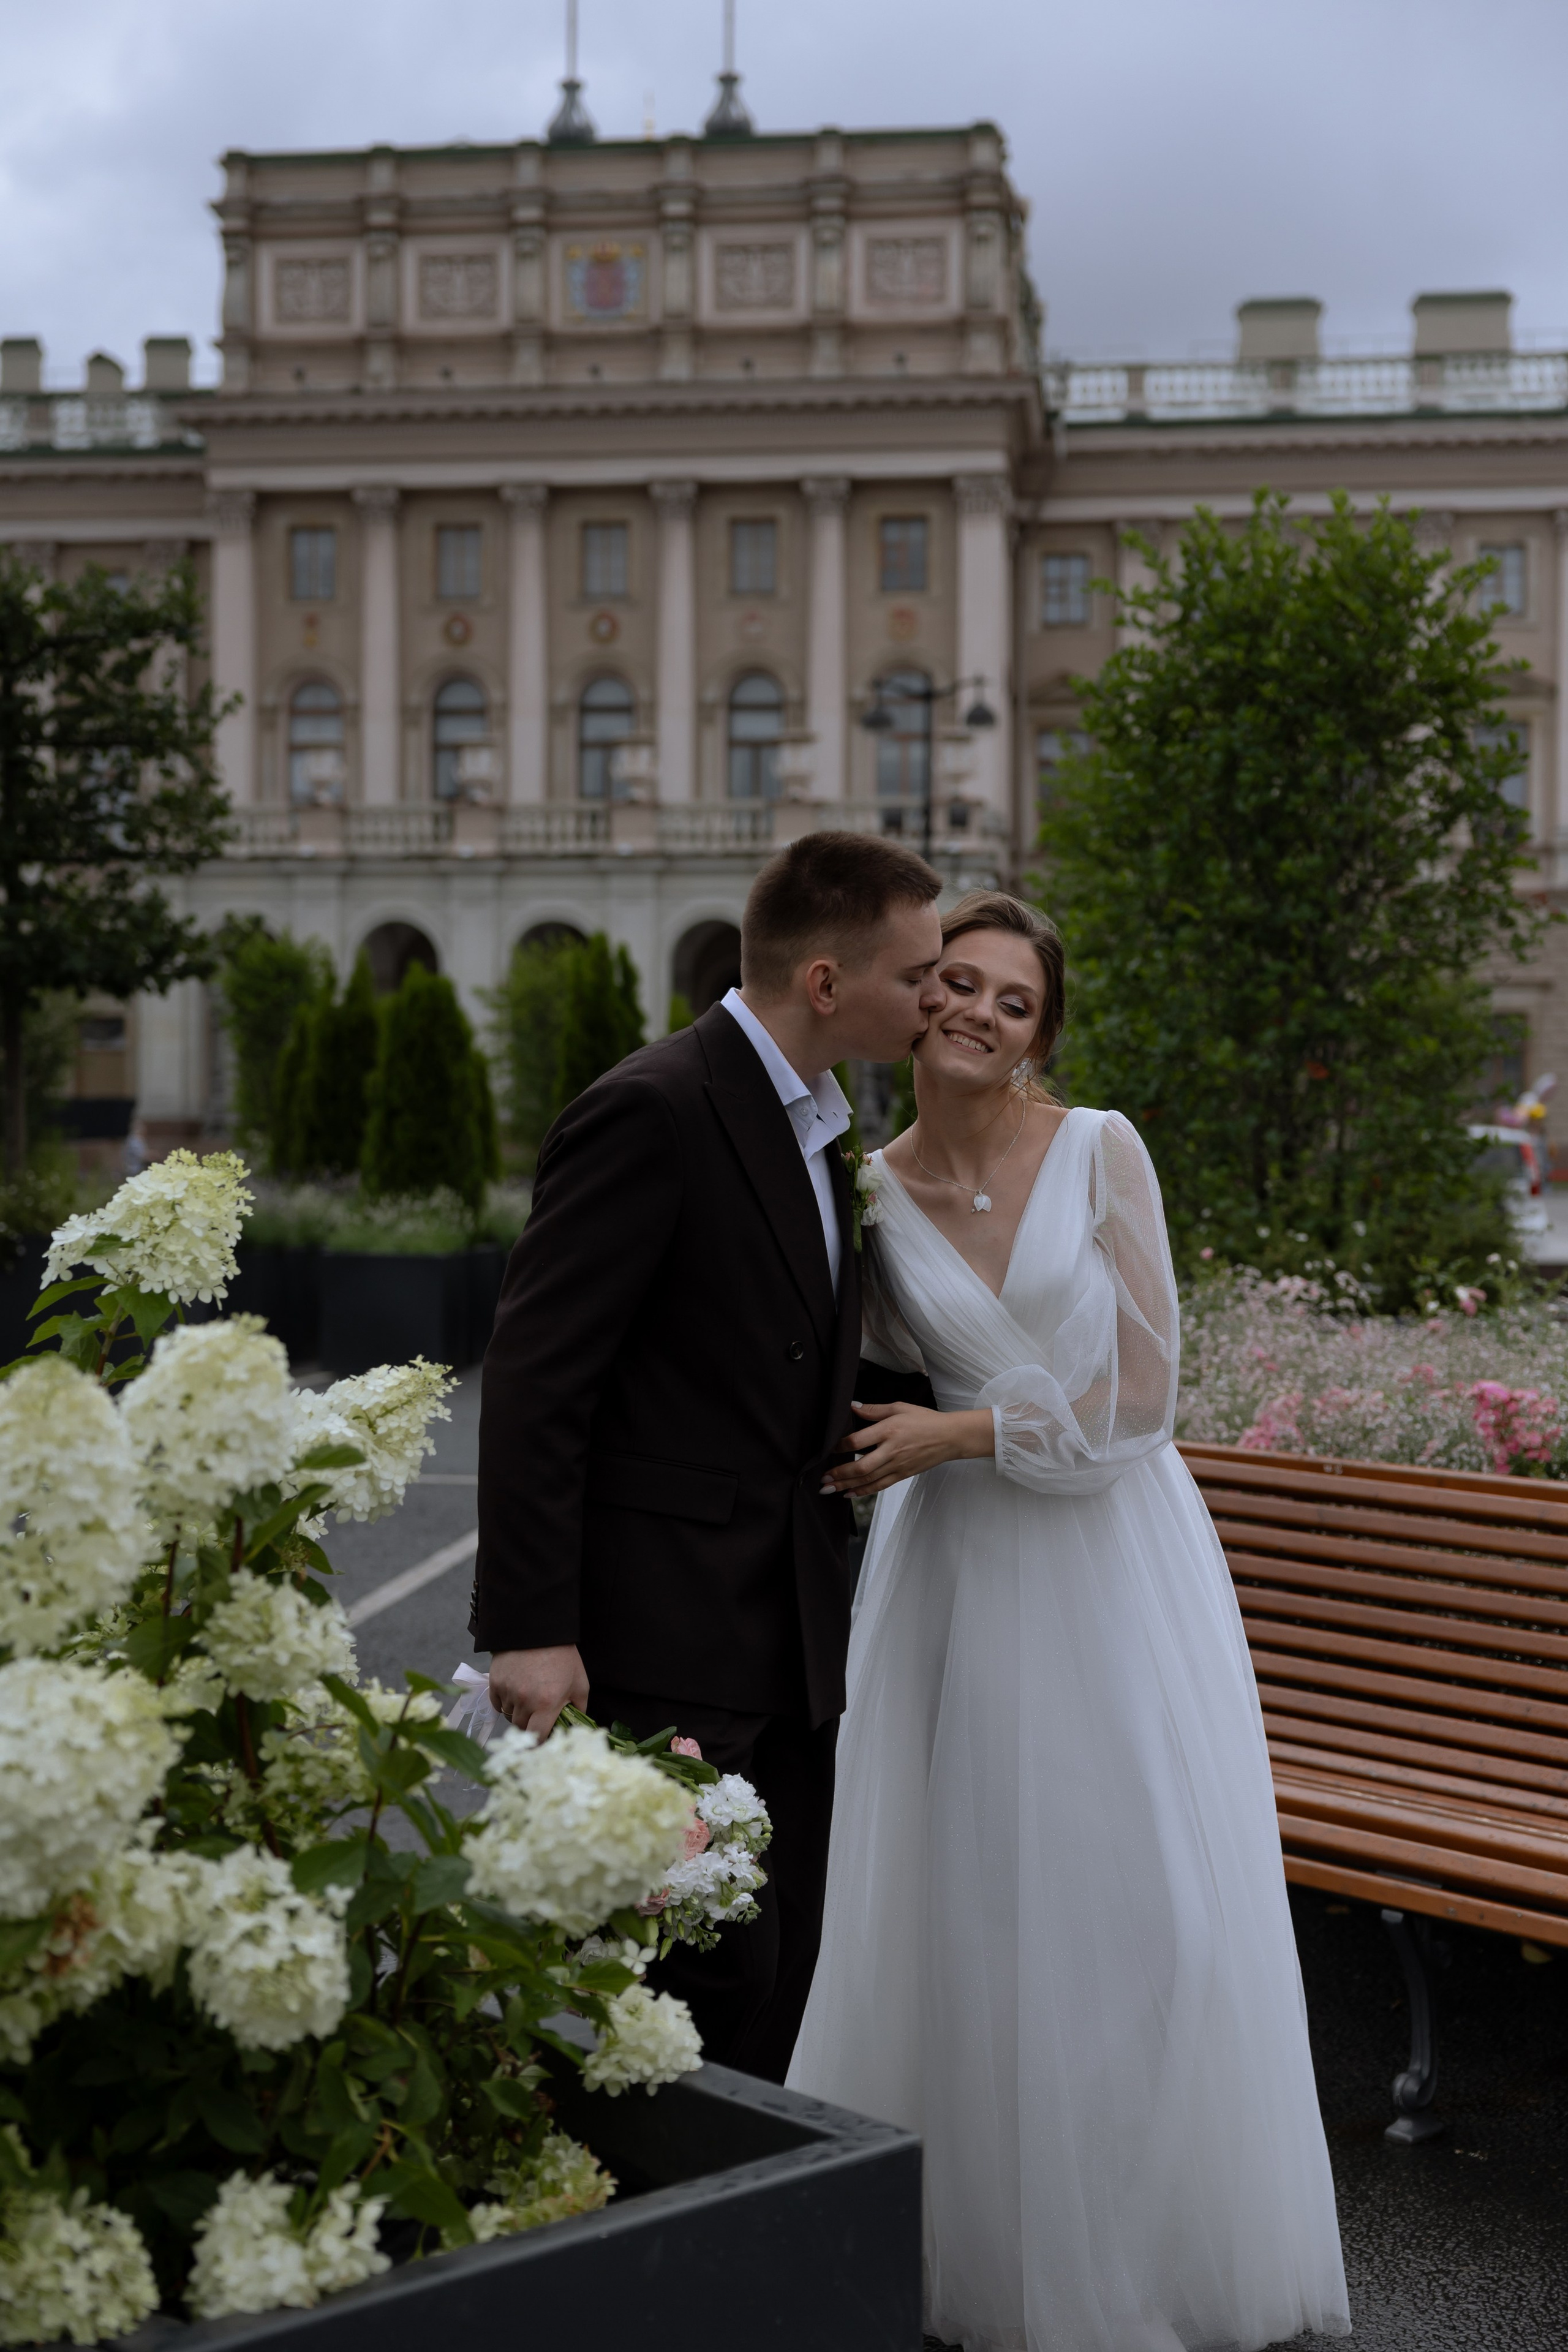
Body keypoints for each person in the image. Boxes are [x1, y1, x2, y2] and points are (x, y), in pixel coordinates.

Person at [788, 891, 1349, 2352]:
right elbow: (849, 1377)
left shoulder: (1098, 1149)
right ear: (915, 1003)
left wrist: (957, 1434)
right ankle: (965, 2245)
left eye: (1011, 1001)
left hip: (1108, 1561)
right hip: (953, 1577)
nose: (975, 1011)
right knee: (958, 1900)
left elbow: (1148, 1402)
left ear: (1042, 1035)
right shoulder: (866, 1185)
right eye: (955, 984)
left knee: (1136, 1901)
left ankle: (1145, 2242)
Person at [472, 831, 945, 2082]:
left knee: (775, 1975)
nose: (934, 998)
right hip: (659, 1636)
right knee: (689, 1981)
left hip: (788, 1632)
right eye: (916, 976)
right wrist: (528, 1623)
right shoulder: (653, 1107)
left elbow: (773, 1352)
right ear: (827, 984)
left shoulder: (823, 1129)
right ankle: (632, 2252)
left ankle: (722, 2254)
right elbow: (538, 1374)